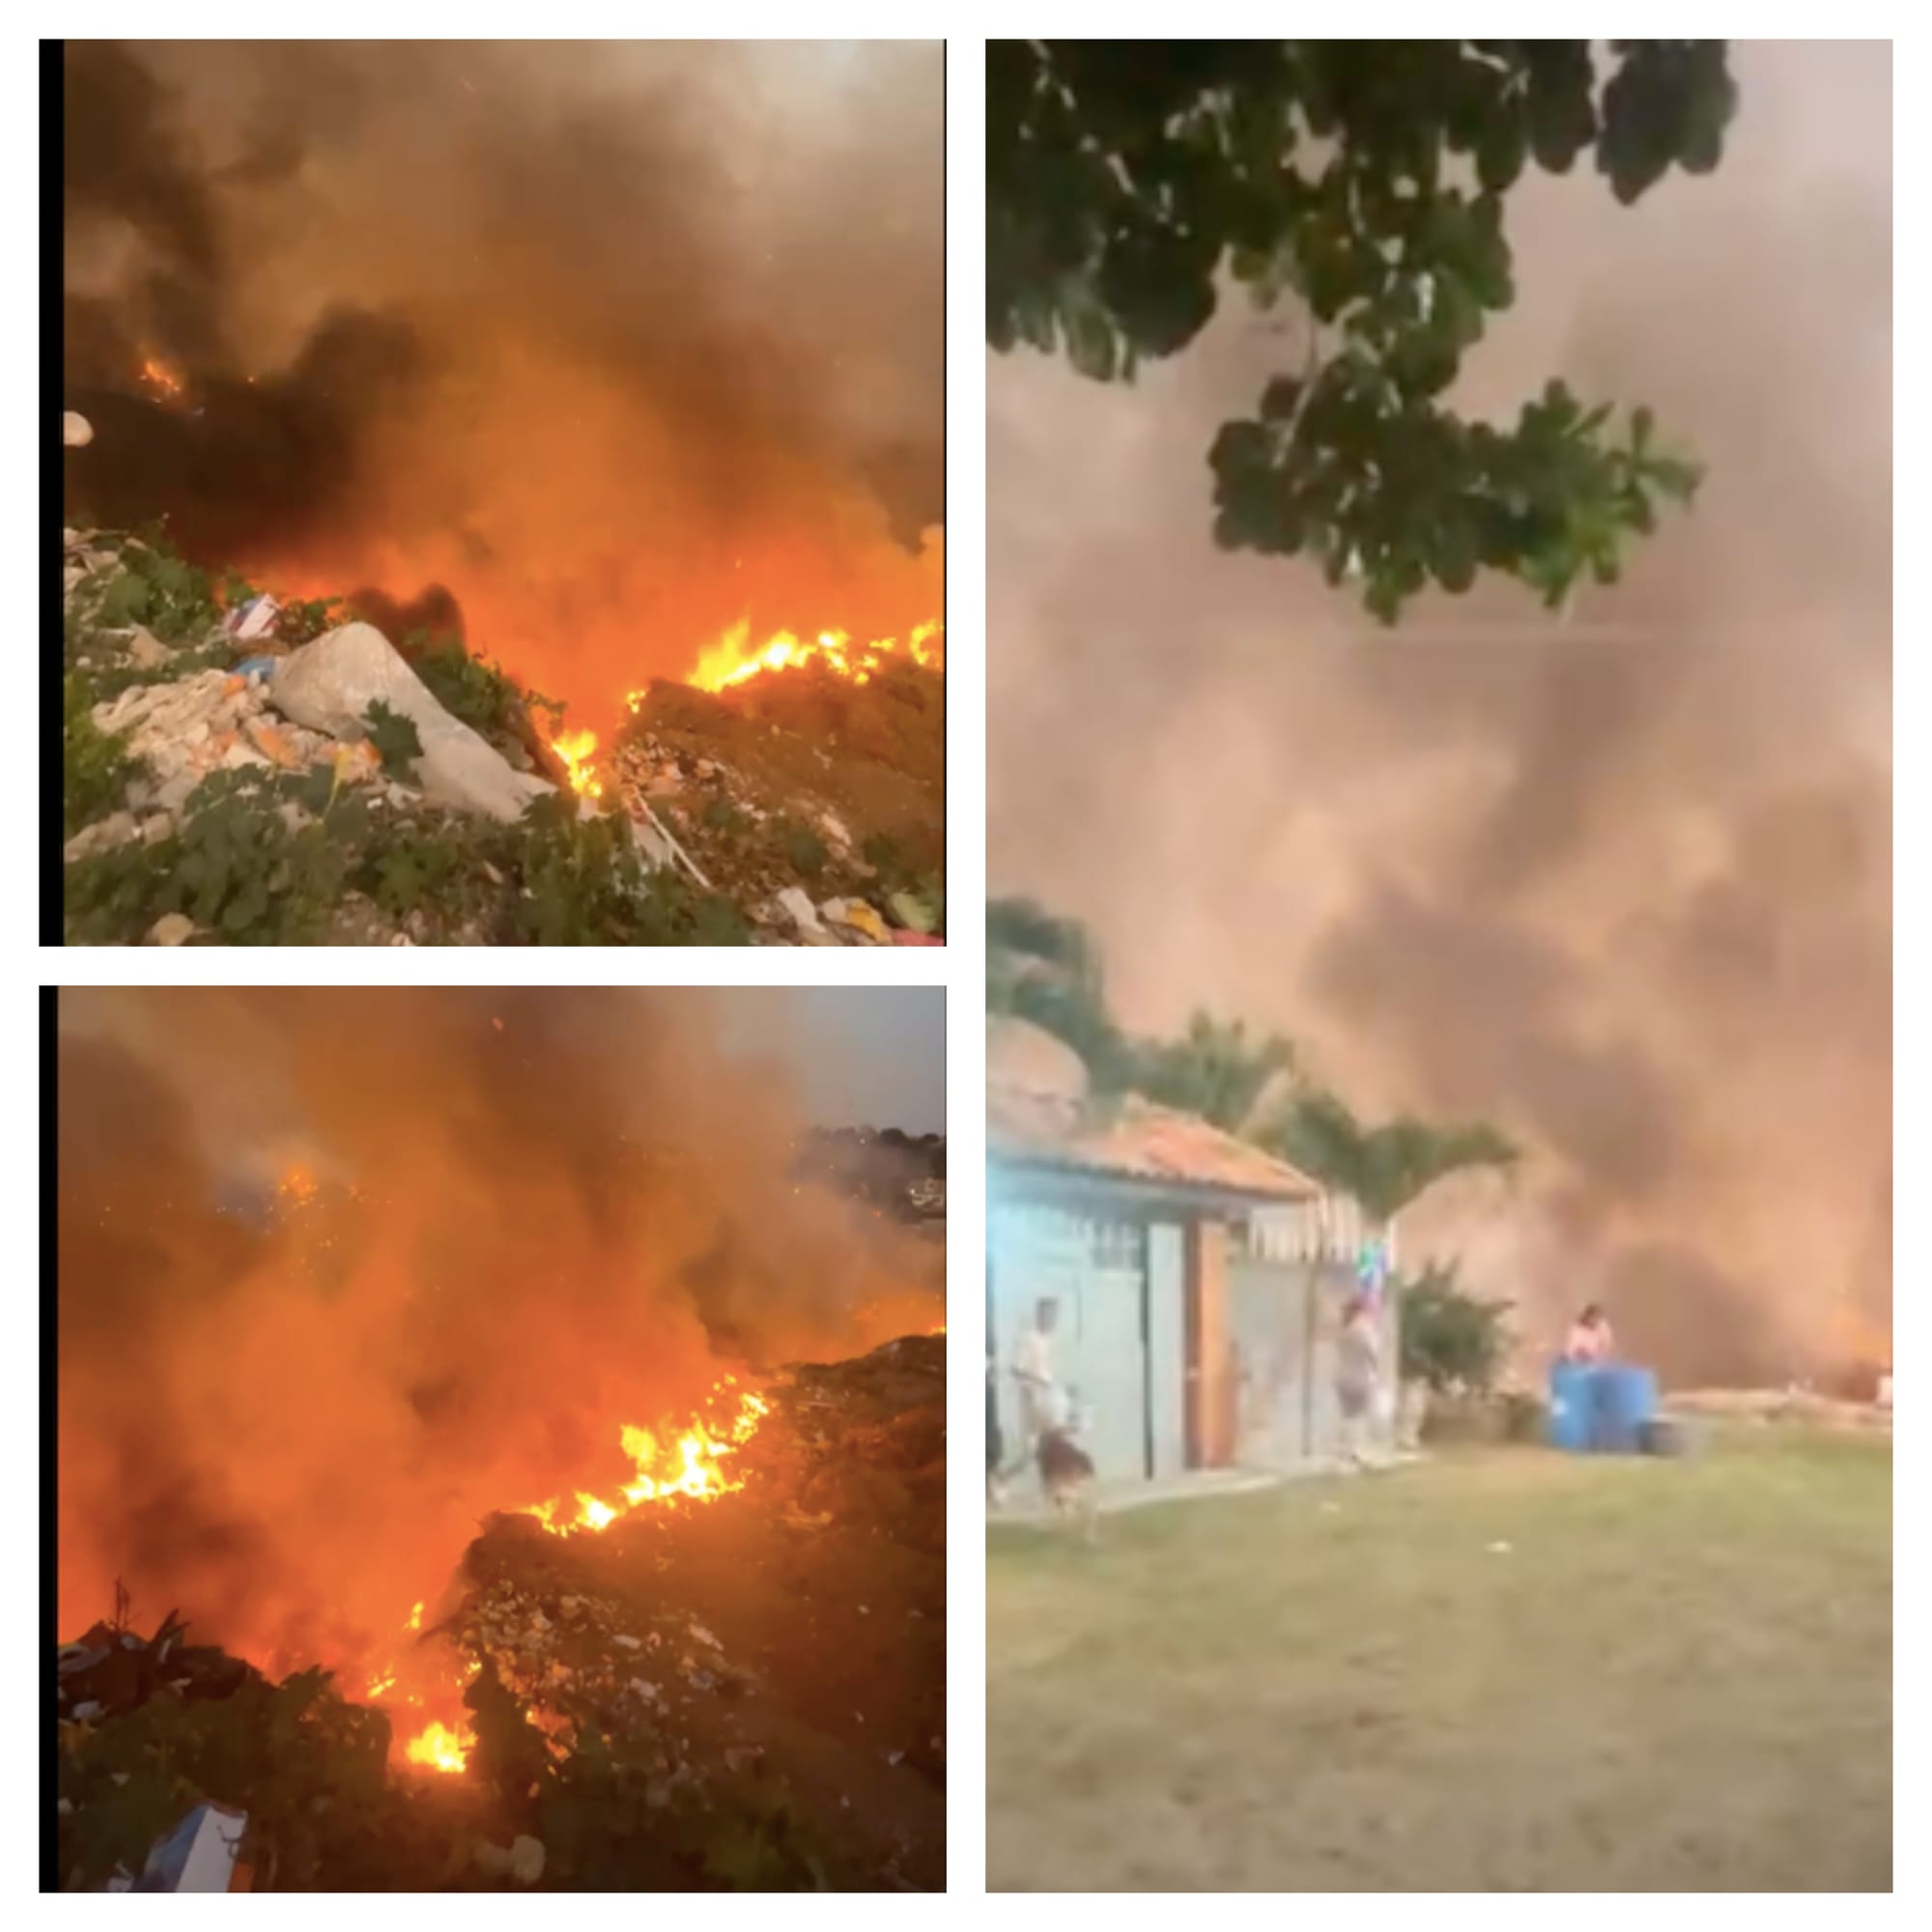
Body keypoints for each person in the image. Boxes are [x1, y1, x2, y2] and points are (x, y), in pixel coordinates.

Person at [1010, 1297, 1062, 1476]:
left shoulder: (1048, 1339)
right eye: (1049, 1314)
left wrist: (1052, 1384)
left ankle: (1056, 1482)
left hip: (1046, 1399)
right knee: (1031, 1453)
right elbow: (1016, 1370)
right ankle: (1001, 1479)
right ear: (1040, 1314)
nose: (1052, 1319)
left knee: (1055, 1439)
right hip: (1032, 1401)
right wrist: (1038, 1381)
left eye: (1055, 1315)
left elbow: (1046, 1370)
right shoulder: (1028, 1338)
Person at [1335, 1293, 1382, 1470]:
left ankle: (1345, 1453)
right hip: (1361, 1376)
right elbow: (1373, 1353)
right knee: (1358, 1417)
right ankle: (1353, 1453)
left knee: (1347, 1416)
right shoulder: (1364, 1328)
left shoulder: (1346, 1328)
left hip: (1343, 1376)